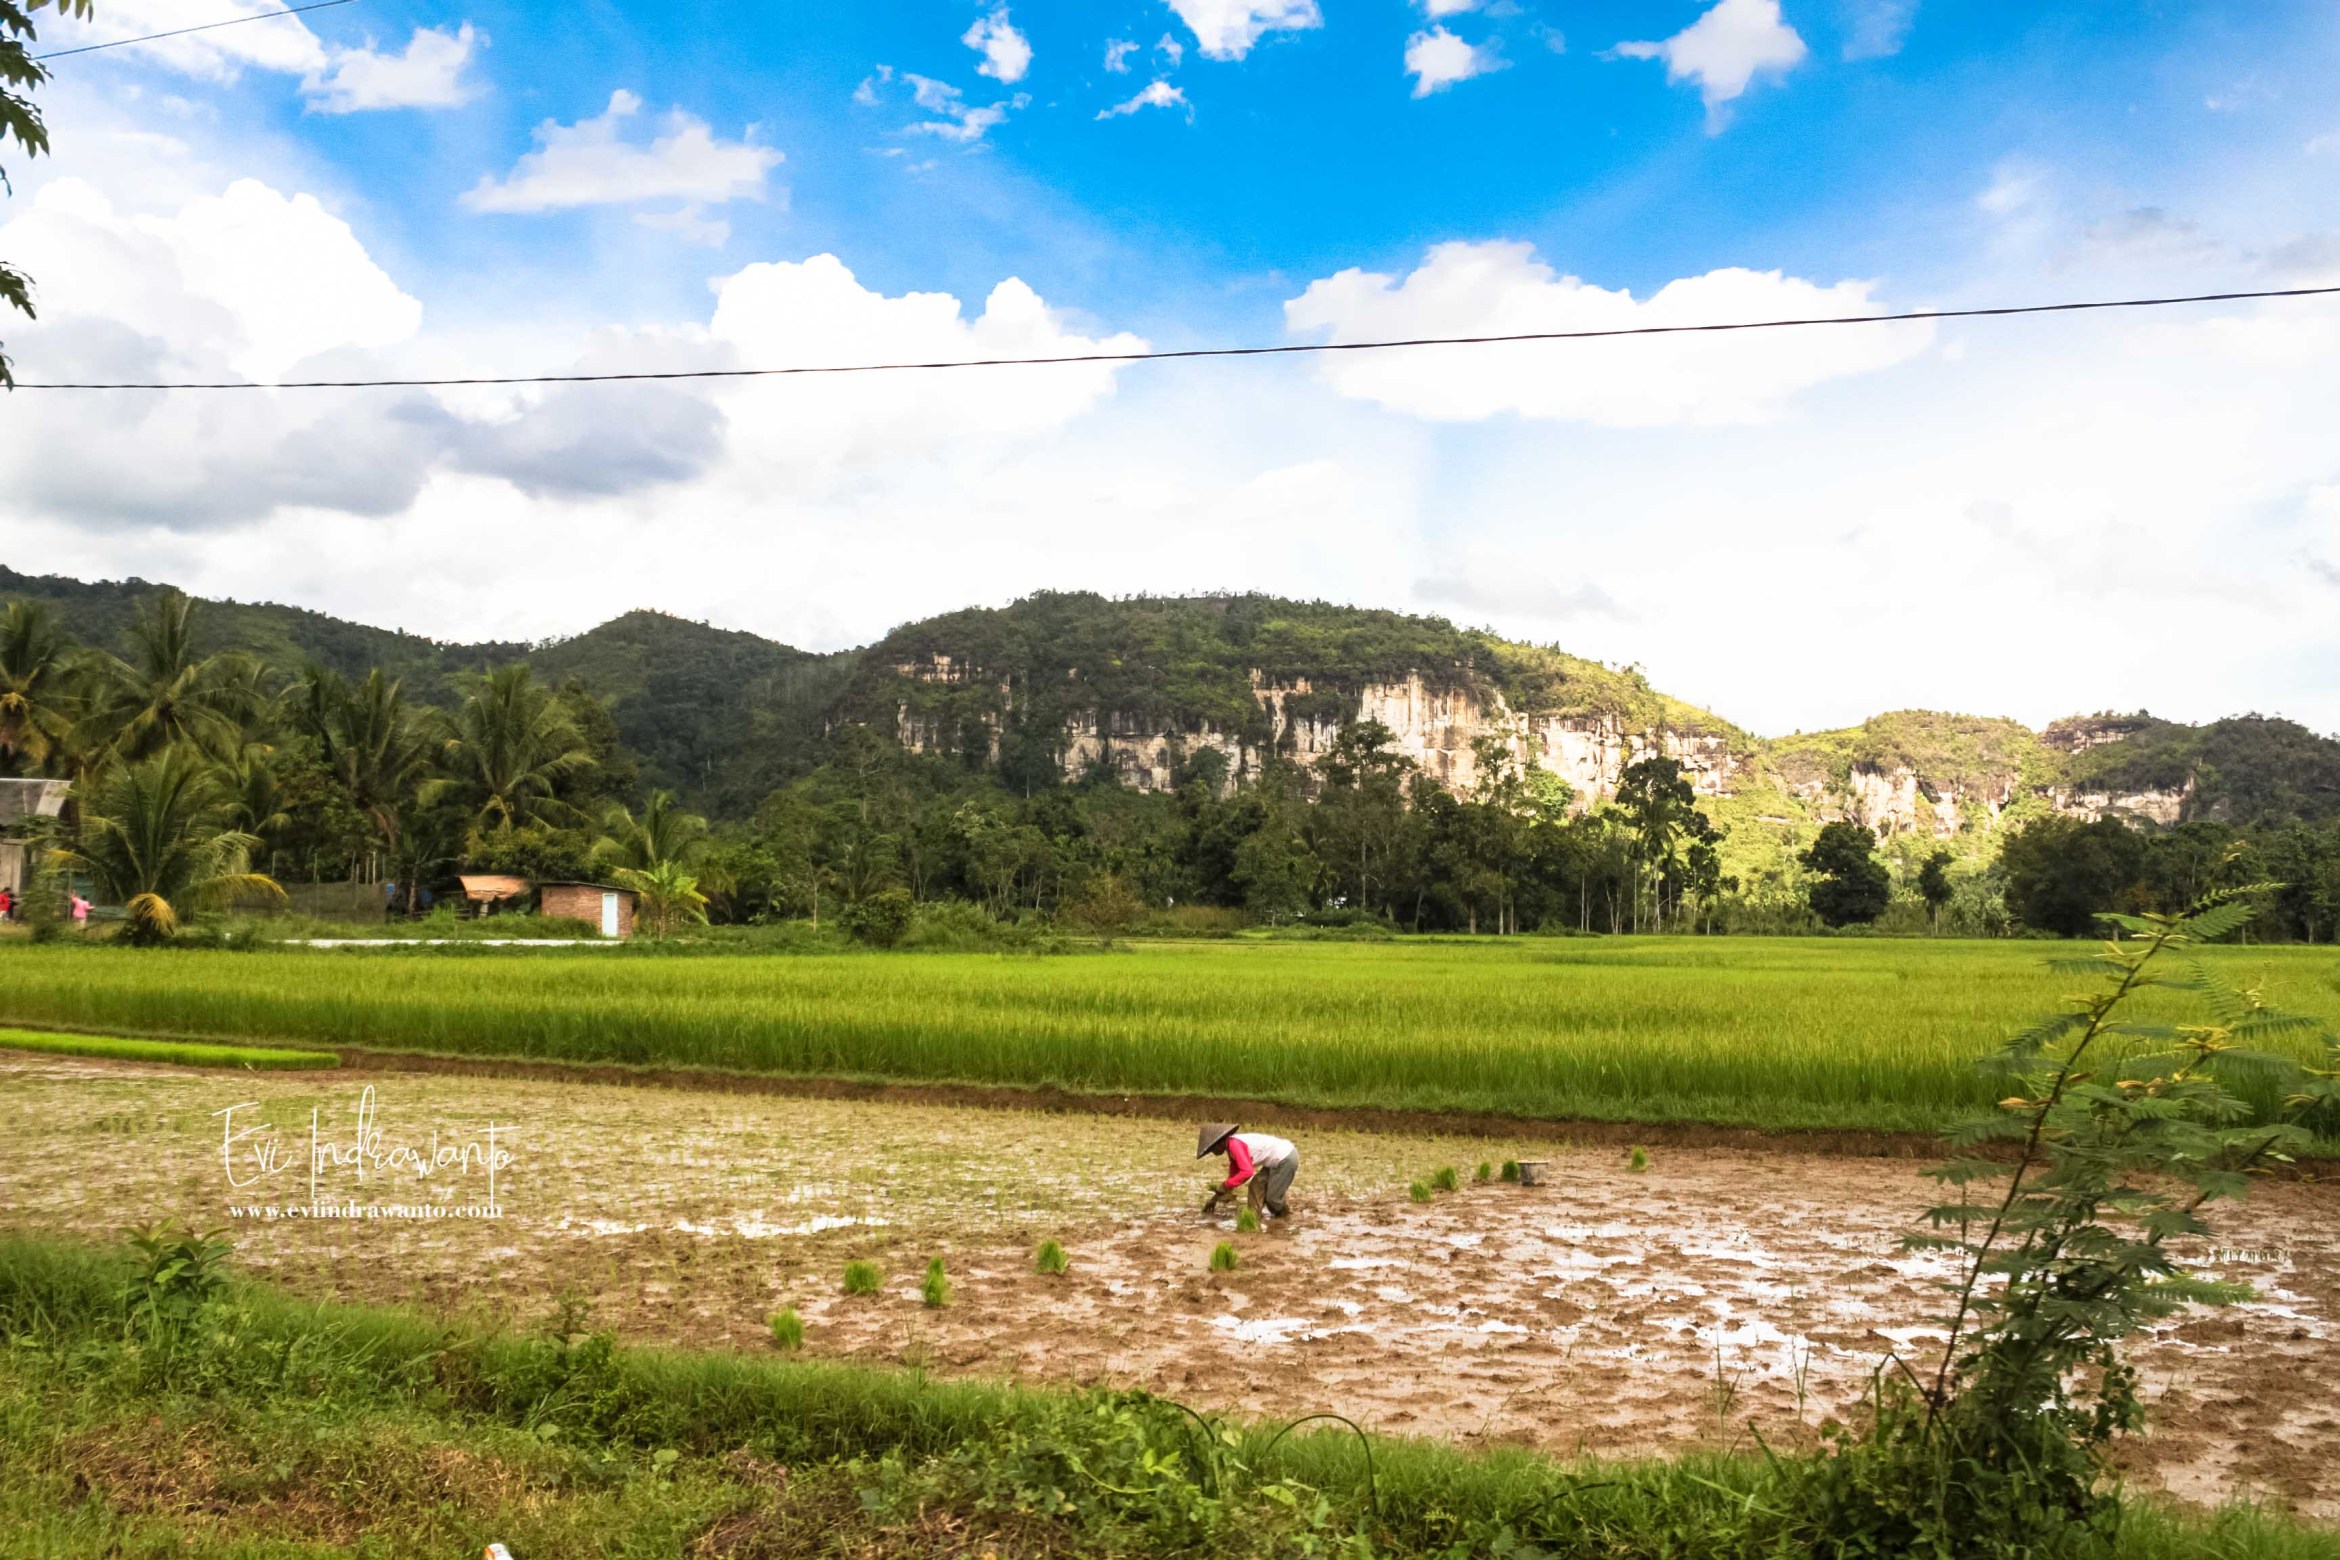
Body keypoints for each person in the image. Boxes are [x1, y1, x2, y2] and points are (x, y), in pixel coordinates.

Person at [1196, 1122, 1299, 1219]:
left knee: (1272, 1199)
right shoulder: (1231, 1147)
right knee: (1256, 1185)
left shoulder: (1235, 1145)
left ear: (1220, 1142)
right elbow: (1233, 1177)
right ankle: (1253, 1217)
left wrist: (1224, 1185)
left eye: (1213, 1149)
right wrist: (1214, 1199)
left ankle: (1285, 1218)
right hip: (1273, 1161)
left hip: (1285, 1158)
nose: (1213, 1152)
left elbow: (1247, 1172)